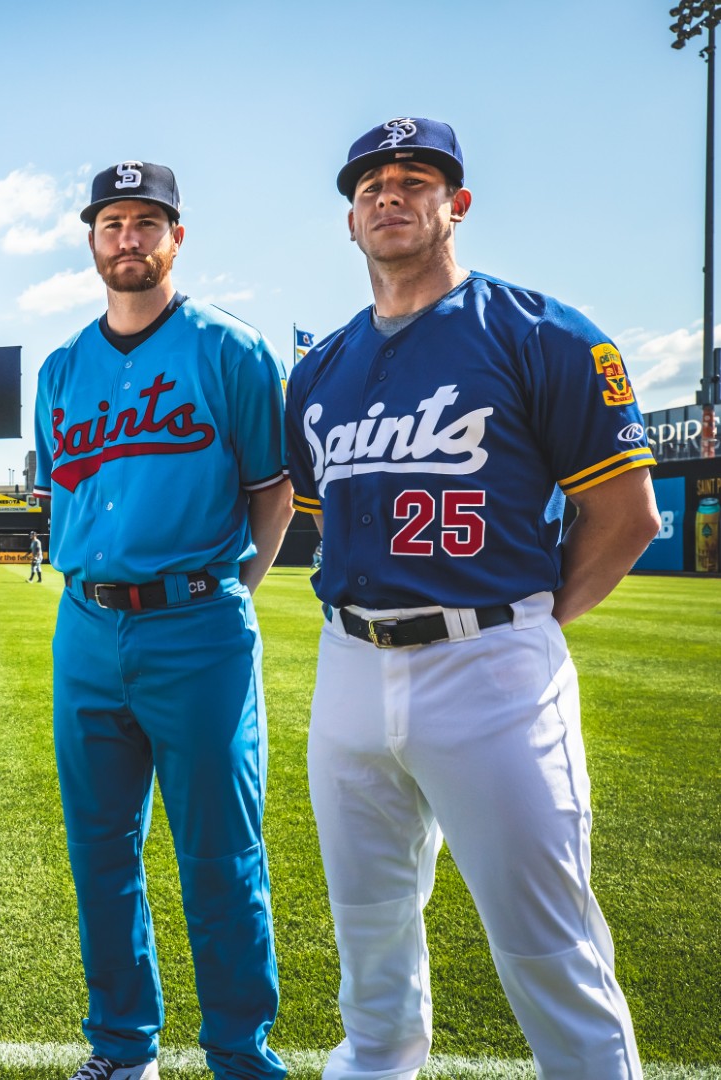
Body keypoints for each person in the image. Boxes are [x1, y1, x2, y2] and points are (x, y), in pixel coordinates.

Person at [284, 117, 657, 1079]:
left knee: (546, 940)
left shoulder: (541, 332)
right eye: (370, 187)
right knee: (368, 932)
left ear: (457, 204)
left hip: (493, 663)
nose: (391, 197)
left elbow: (627, 516)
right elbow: (328, 515)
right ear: (350, 221)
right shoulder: (319, 370)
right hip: (352, 663)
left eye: (415, 180)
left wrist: (525, 624)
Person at [32, 160, 294, 1080]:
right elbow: (62, 490)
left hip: (199, 626)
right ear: (93, 240)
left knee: (222, 857)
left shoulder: (231, 350)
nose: (129, 238)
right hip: (87, 627)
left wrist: (228, 597)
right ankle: (122, 1048)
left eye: (149, 222)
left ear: (176, 237)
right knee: (101, 854)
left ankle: (239, 1054)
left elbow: (273, 495)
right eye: (113, 223)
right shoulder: (62, 367)